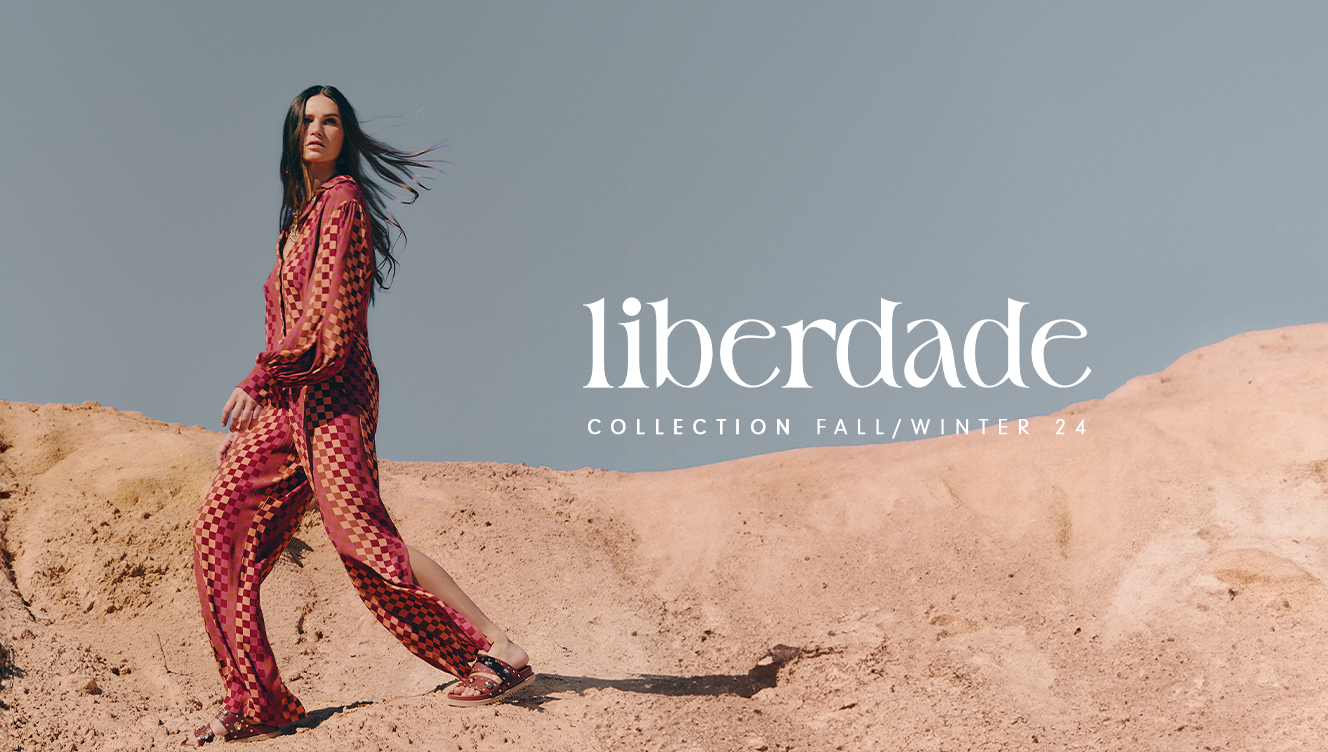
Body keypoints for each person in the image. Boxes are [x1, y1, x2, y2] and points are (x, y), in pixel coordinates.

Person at [183, 86, 533, 746]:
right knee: (218, 536)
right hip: (285, 410)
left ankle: (498, 650)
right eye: (307, 121)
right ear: (292, 136)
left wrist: (263, 374)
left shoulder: (343, 206)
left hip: (333, 399)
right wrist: (274, 388)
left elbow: (330, 329)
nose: (317, 129)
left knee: (363, 540)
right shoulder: (297, 219)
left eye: (331, 120)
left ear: (345, 136)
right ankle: (258, 700)